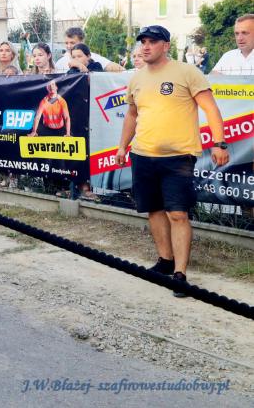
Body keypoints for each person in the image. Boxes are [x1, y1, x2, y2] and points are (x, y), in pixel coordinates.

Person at [115, 25, 229, 297]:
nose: (145, 46)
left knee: (177, 214)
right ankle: (165, 261)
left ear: (166, 45)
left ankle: (180, 274)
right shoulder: (137, 78)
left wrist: (219, 143)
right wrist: (122, 147)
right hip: (143, 155)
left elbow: (211, 108)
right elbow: (132, 115)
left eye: (152, 41)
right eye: (143, 41)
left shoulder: (187, 72)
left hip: (178, 157)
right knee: (154, 210)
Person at [54, 27, 124, 73]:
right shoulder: (60, 62)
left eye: (72, 43)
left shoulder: (95, 58)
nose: (69, 46)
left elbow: (119, 69)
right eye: (66, 43)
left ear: (82, 42)